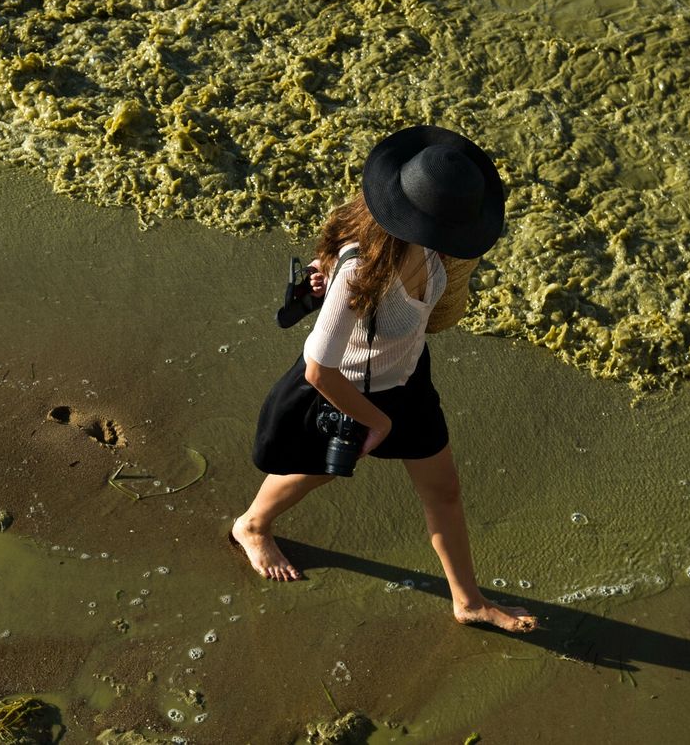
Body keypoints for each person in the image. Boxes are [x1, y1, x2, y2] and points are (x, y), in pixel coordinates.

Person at [230, 125, 538, 633]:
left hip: (409, 379)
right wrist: (375, 422)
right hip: (348, 389)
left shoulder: (442, 250)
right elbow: (317, 366)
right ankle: (253, 526)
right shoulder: (361, 269)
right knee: (320, 470)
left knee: (445, 491)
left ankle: (469, 601)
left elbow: (433, 310)